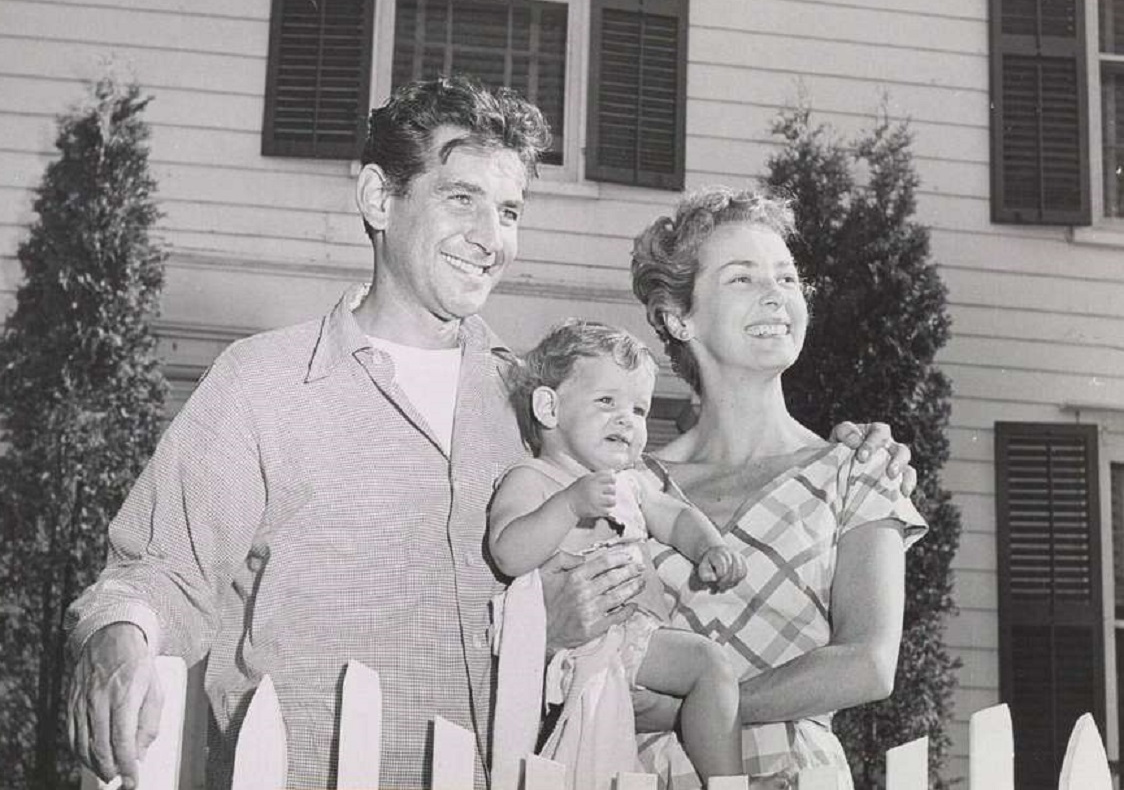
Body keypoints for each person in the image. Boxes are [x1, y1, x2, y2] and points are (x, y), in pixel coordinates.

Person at [64, 74, 914, 790]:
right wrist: (117, 638)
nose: (489, 239)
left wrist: (854, 451)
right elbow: (159, 570)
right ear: (377, 198)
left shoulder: (530, 401)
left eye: (509, 211)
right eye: (461, 199)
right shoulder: (264, 383)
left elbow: (638, 503)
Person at [627, 186, 929, 789]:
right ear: (677, 316)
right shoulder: (631, 487)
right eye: (742, 278)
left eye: (787, 279)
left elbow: (868, 664)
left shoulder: (857, 470)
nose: (776, 295)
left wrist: (700, 705)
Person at [490, 320, 746, 788]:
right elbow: (508, 552)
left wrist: (709, 545)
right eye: (606, 402)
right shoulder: (532, 478)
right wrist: (568, 505)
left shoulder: (632, 483)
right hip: (579, 650)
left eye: (640, 409)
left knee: (710, 670)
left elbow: (677, 516)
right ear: (548, 408)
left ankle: (728, 781)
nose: (627, 419)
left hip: (637, 641)